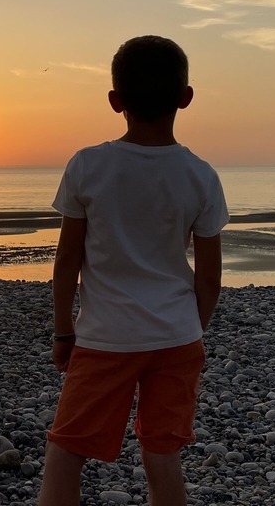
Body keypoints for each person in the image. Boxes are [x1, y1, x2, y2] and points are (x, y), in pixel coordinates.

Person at [37, 35, 228, 506]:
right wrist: (190, 328)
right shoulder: (200, 175)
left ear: (115, 101)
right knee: (162, 452)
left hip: (106, 339)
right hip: (176, 335)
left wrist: (64, 332)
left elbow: (67, 261)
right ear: (185, 98)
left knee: (67, 449)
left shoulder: (89, 166)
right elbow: (209, 277)